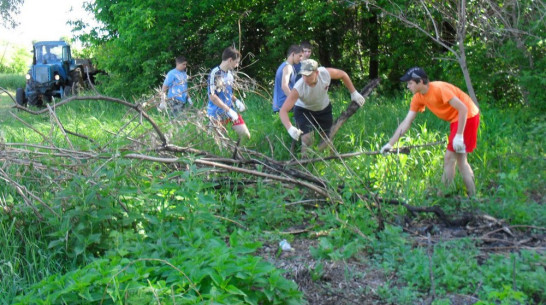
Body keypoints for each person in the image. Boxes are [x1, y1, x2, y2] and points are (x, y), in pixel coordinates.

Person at [380, 67, 480, 196]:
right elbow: (406, 122)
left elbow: (463, 109)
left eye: (410, 83)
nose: (408, 87)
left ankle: (440, 197)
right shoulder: (418, 97)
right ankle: (472, 197)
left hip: (468, 117)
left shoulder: (439, 89)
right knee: (461, 160)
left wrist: (459, 136)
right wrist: (390, 144)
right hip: (456, 119)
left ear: (420, 81)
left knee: (449, 159)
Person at [279, 59, 365, 155]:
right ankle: (305, 164)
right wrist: (290, 128)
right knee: (308, 139)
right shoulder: (299, 87)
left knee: (327, 138)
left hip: (324, 109)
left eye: (309, 75)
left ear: (317, 72)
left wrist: (354, 92)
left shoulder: (325, 74)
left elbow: (343, 74)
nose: (306, 78)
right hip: (304, 111)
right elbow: (283, 110)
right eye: (303, 75)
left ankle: (332, 161)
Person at [207, 46, 250, 140]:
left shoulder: (230, 74)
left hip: (230, 112)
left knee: (246, 136)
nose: (237, 65)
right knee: (221, 143)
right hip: (216, 114)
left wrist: (236, 100)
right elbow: (212, 96)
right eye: (236, 62)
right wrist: (228, 110)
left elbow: (228, 93)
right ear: (230, 60)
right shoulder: (215, 73)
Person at [272, 44, 303, 112]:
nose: (301, 59)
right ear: (293, 54)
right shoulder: (288, 67)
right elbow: (284, 86)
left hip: (281, 106)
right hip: (283, 106)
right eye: (299, 56)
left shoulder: (284, 65)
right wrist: (294, 100)